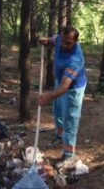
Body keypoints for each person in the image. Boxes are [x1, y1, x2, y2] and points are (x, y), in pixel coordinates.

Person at [38, 26, 87, 169]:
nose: (64, 45)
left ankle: (69, 155)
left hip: (72, 89)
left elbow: (65, 87)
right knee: (58, 111)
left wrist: (48, 96)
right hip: (60, 81)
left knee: (70, 119)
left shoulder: (75, 59)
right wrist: (46, 41)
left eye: (69, 43)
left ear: (75, 42)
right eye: (63, 41)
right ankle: (60, 136)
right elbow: (53, 40)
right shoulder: (60, 39)